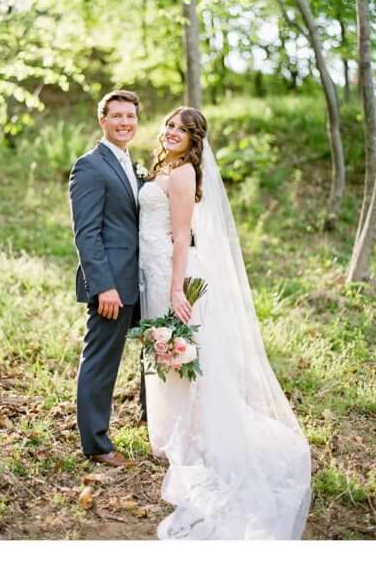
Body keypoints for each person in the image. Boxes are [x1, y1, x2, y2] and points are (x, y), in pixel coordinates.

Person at [138, 106, 310, 539]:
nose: (173, 131)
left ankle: (192, 438)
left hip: (172, 275)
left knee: (181, 355)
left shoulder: (181, 174)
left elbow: (180, 236)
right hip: (155, 271)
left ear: (196, 140)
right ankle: (176, 431)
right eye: (171, 125)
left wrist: (177, 290)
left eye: (184, 129)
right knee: (169, 355)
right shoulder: (168, 166)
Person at [68, 90, 144, 468]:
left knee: (159, 354)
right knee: (100, 362)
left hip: (142, 281)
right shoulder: (90, 166)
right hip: (112, 285)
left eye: (130, 116)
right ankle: (96, 444)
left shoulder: (133, 164)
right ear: (103, 120)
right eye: (117, 116)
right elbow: (86, 233)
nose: (124, 122)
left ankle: (155, 426)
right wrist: (103, 286)